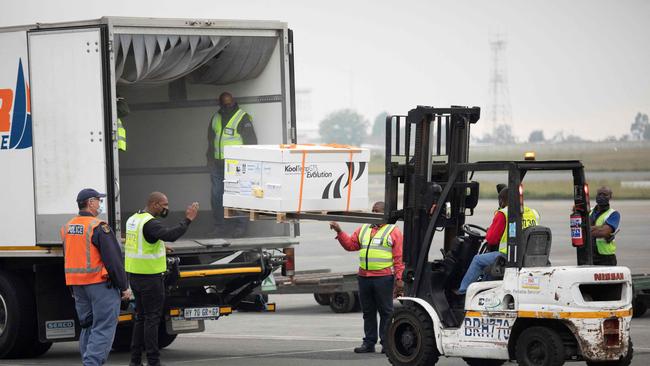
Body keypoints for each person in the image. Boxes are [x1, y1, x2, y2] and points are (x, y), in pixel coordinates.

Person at [125, 192, 199, 366]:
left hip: (135, 275)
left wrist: (160, 246)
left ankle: (135, 361)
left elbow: (143, 241)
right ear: (154, 204)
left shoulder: (134, 219)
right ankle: (153, 361)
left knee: (141, 318)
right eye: (164, 205)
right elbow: (170, 234)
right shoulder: (150, 223)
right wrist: (188, 219)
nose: (166, 208)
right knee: (152, 319)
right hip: (150, 278)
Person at [61, 188, 131, 366]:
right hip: (99, 285)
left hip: (77, 285)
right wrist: (124, 286)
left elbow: (68, 256)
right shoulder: (98, 226)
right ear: (90, 202)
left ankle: (88, 361)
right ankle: (91, 364)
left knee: (88, 326)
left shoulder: (68, 227)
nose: (100, 204)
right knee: (104, 328)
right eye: (99, 201)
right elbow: (113, 260)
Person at [329, 202, 404, 354]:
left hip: (383, 278)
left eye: (377, 211)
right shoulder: (363, 229)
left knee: (386, 311)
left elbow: (398, 258)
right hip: (364, 278)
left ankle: (386, 343)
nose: (373, 213)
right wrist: (339, 231)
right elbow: (350, 245)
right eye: (372, 211)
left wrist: (399, 279)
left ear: (385, 213)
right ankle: (369, 343)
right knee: (368, 312)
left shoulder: (393, 231)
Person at [458, 187, 540, 294]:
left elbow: (491, 240)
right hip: (527, 256)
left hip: (508, 256)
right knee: (487, 263)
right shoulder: (533, 213)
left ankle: (463, 292)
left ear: (501, 200)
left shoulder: (504, 213)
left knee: (478, 260)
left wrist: (489, 231)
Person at [207, 92, 257, 237]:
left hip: (237, 164)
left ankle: (240, 227)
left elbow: (251, 142)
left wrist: (249, 162)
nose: (228, 106)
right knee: (216, 196)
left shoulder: (242, 117)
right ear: (220, 104)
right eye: (224, 104)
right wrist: (209, 159)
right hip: (218, 164)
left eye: (230, 103)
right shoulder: (216, 117)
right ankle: (219, 227)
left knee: (238, 194)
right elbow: (211, 140)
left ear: (234, 102)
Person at [590, 186, 620, 266]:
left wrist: (585, 230)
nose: (601, 197)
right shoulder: (589, 211)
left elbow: (603, 232)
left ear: (610, 197)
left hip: (606, 257)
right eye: (599, 194)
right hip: (588, 255)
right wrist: (600, 227)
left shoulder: (613, 214)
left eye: (605, 194)